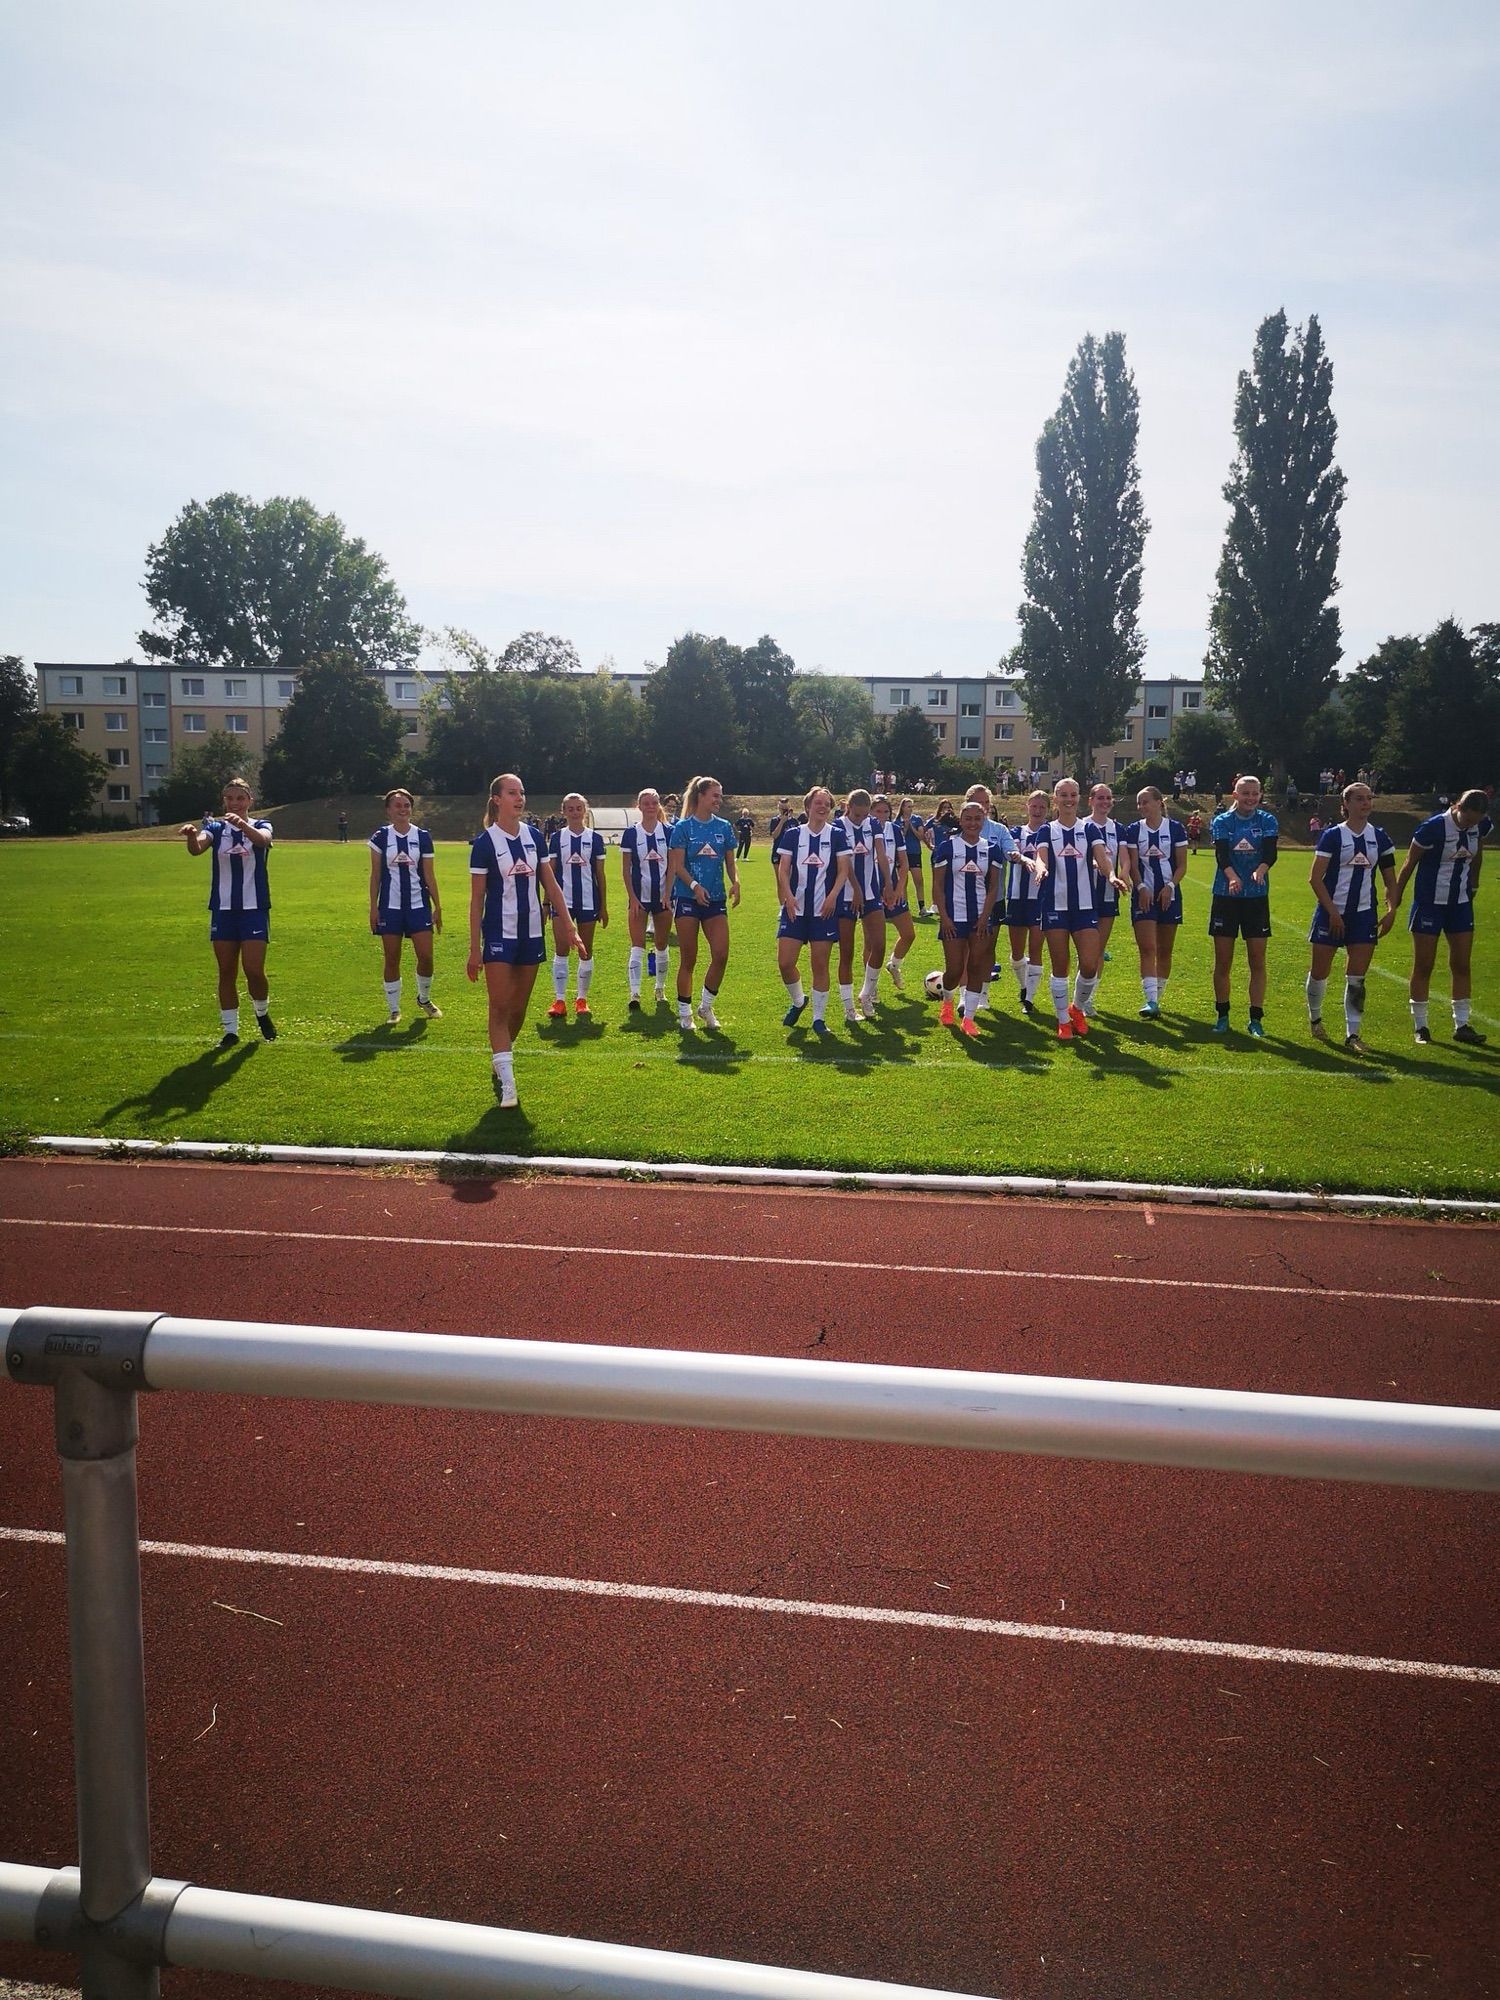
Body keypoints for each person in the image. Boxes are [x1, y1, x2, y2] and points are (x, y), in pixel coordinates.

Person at [468, 773, 576, 1107]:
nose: (520, 798)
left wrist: (569, 926)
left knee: (518, 1008)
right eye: (512, 792)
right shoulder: (485, 843)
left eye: (522, 792)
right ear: (497, 799)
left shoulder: (534, 837)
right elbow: (477, 902)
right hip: (500, 935)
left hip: (532, 933)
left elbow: (551, 884)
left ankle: (501, 1058)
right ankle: (509, 1082)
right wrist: (475, 949)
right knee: (500, 1005)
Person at [181, 777, 278, 1049]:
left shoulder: (260, 824)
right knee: (226, 971)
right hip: (223, 910)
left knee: (254, 970)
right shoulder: (215, 828)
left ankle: (261, 1012)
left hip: (254, 908)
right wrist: (191, 836)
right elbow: (198, 847)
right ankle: (231, 1032)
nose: (234, 803)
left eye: (240, 798)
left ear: (250, 801)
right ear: (224, 801)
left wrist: (242, 824)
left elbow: (263, 840)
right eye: (230, 799)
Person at [1392, 788, 1492, 1045]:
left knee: (1461, 964)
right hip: (1429, 903)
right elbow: (1409, 863)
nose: (1471, 824)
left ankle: (1462, 1025)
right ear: (1458, 806)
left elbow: (1478, 850)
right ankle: (1421, 1026)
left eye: (1476, 821)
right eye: (1468, 819)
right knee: (1424, 965)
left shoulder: (1480, 826)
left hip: (1459, 904)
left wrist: (1475, 882)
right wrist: (1396, 897)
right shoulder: (1433, 827)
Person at [1305, 783, 1397, 1054]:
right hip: (1330, 914)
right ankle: (1315, 1019)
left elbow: (1390, 880)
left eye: (1369, 798)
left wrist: (1391, 910)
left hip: (1363, 916)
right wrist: (1333, 912)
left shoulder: (1380, 837)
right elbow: (1315, 878)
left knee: (1357, 977)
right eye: (1359, 799)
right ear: (1345, 804)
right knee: (1320, 972)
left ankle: (1353, 1034)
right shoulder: (1333, 836)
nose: (1366, 803)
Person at [1032, 778, 1122, 1040]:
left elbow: (1102, 858)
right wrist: (1042, 869)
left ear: (1079, 797)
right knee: (1060, 965)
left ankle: (1077, 1008)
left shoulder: (1090, 829)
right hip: (1055, 905)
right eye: (1063, 795)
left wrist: (1112, 876)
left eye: (1073, 794)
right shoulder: (1047, 830)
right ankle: (1062, 1020)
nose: (1069, 799)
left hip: (1085, 906)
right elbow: (1040, 857)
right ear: (1055, 798)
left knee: (1090, 964)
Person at [667, 774, 740, 1030]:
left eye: (720, 795)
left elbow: (730, 862)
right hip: (688, 898)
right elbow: (677, 866)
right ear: (701, 797)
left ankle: (705, 1006)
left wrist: (736, 882)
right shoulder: (682, 828)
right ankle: (684, 1013)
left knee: (721, 954)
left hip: (715, 899)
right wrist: (695, 887)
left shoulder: (723, 827)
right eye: (715, 795)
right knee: (689, 958)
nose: (719, 800)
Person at [776, 786, 850, 1036]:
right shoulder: (793, 835)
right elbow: (783, 869)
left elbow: (843, 871)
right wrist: (787, 895)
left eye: (826, 803)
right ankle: (799, 1001)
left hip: (824, 911)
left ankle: (819, 1019)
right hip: (795, 909)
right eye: (818, 803)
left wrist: (832, 897)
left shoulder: (837, 835)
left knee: (820, 965)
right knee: (785, 963)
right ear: (808, 807)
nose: (822, 807)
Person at [1209, 774, 1279, 1036]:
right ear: (1234, 794)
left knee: (1257, 960)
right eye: (1245, 793)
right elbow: (1222, 854)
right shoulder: (1223, 821)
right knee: (1223, 961)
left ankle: (1256, 1018)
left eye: (1255, 793)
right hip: (1226, 897)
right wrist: (1232, 877)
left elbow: (1271, 853)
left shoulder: (1268, 820)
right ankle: (1223, 1015)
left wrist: (1260, 871)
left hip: (1256, 898)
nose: (1250, 798)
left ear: (1260, 795)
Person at [368, 787, 442, 1022]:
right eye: (398, 805)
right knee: (392, 957)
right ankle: (394, 1009)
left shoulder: (422, 837)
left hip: (418, 905)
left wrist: (437, 906)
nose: (403, 809)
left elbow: (429, 875)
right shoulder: (381, 837)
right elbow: (375, 875)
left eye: (406, 805)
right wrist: (373, 906)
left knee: (426, 956)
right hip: (390, 906)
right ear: (388, 810)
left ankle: (424, 998)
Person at [931, 799, 1002, 1036]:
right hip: (954, 917)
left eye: (977, 819)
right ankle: (948, 1002)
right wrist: (944, 917)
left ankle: (969, 1019)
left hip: (980, 919)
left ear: (984, 821)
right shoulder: (947, 847)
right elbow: (938, 886)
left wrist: (985, 916)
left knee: (976, 966)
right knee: (954, 969)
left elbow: (993, 887)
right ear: (961, 821)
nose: (972, 823)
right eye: (968, 818)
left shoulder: (992, 848)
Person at [1123, 787, 1188, 1017]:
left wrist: (1171, 887)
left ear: (1160, 802)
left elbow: (1182, 865)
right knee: (1147, 948)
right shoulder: (1133, 830)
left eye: (1146, 802)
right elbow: (1132, 864)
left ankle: (1157, 997)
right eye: (1139, 803)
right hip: (1144, 897)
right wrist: (1140, 887)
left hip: (1169, 896)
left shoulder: (1175, 829)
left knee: (1165, 949)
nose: (1141, 807)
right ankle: (1150, 1001)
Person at [547, 793, 609, 1019]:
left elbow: (599, 875)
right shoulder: (556, 838)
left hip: (588, 901)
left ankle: (582, 999)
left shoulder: (595, 838)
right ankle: (560, 1000)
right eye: (570, 808)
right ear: (564, 811)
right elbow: (550, 872)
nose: (575, 812)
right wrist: (546, 901)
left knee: (586, 950)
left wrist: (603, 906)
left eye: (578, 808)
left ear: (585, 811)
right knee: (561, 948)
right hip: (561, 902)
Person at [834, 787, 891, 1022]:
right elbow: (844, 862)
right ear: (848, 808)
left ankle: (866, 993)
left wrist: (888, 883)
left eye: (864, 815)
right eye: (857, 814)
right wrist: (856, 890)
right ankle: (848, 1008)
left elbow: (881, 854)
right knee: (846, 952)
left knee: (879, 945)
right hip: (846, 896)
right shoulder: (837, 827)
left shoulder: (873, 825)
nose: (861, 819)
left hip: (870, 894)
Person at [962, 783, 1018, 1012]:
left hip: (993, 900)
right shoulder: (961, 830)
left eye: (986, 803)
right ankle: (965, 994)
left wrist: (1017, 856)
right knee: (965, 947)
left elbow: (1010, 851)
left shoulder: (999, 830)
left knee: (987, 947)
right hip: (963, 900)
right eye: (978, 802)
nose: (983, 807)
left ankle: (983, 992)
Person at [619, 788, 673, 1009]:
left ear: (658, 805)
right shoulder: (631, 834)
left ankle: (659, 989)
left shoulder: (669, 832)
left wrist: (668, 894)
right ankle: (635, 993)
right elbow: (625, 869)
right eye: (646, 803)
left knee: (661, 944)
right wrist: (632, 898)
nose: (650, 807)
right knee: (637, 944)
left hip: (663, 899)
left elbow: (673, 867)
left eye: (654, 803)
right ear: (639, 806)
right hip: (639, 898)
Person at [1005, 789, 1050, 1015]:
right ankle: (1024, 986)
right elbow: (1010, 852)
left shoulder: (1051, 832)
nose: (1038, 810)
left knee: (1036, 949)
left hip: (1040, 899)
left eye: (1042, 807)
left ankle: (1030, 999)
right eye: (1034, 806)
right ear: (1027, 807)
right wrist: (1021, 859)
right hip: (1016, 898)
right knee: (1016, 952)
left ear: (1048, 809)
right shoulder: (1016, 832)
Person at [1083, 783, 1125, 992]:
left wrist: (1123, 877)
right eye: (1100, 798)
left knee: (1098, 948)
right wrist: (1095, 864)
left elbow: (1125, 860)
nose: (1105, 802)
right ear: (1090, 801)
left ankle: (1089, 997)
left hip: (1108, 894)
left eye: (1108, 798)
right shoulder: (1081, 826)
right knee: (1086, 951)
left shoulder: (1118, 828)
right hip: (1082, 894)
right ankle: (1079, 996)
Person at [872, 794, 916, 988]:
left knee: (908, 934)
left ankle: (894, 964)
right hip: (871, 891)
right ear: (870, 812)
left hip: (893, 889)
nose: (882, 815)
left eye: (885, 811)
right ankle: (870, 989)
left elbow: (904, 863)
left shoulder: (895, 830)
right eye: (877, 811)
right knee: (873, 943)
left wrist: (899, 889)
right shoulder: (865, 830)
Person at [895, 797, 930, 918]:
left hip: (915, 852)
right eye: (908, 806)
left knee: (919, 880)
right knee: (903, 882)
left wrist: (911, 827)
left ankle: (922, 907)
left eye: (911, 806)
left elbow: (921, 836)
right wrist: (904, 828)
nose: (910, 809)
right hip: (902, 854)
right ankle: (905, 907)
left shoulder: (917, 819)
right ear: (903, 807)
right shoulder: (897, 821)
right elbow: (900, 837)